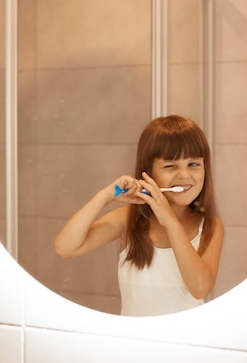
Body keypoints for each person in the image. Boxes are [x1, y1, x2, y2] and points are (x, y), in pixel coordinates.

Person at [54, 115, 224, 316]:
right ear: (148, 173)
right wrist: (106, 195)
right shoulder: (130, 218)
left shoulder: (210, 226)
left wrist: (170, 221)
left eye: (193, 164)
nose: (185, 175)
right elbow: (65, 247)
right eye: (170, 166)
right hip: (133, 343)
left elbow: (200, 288)